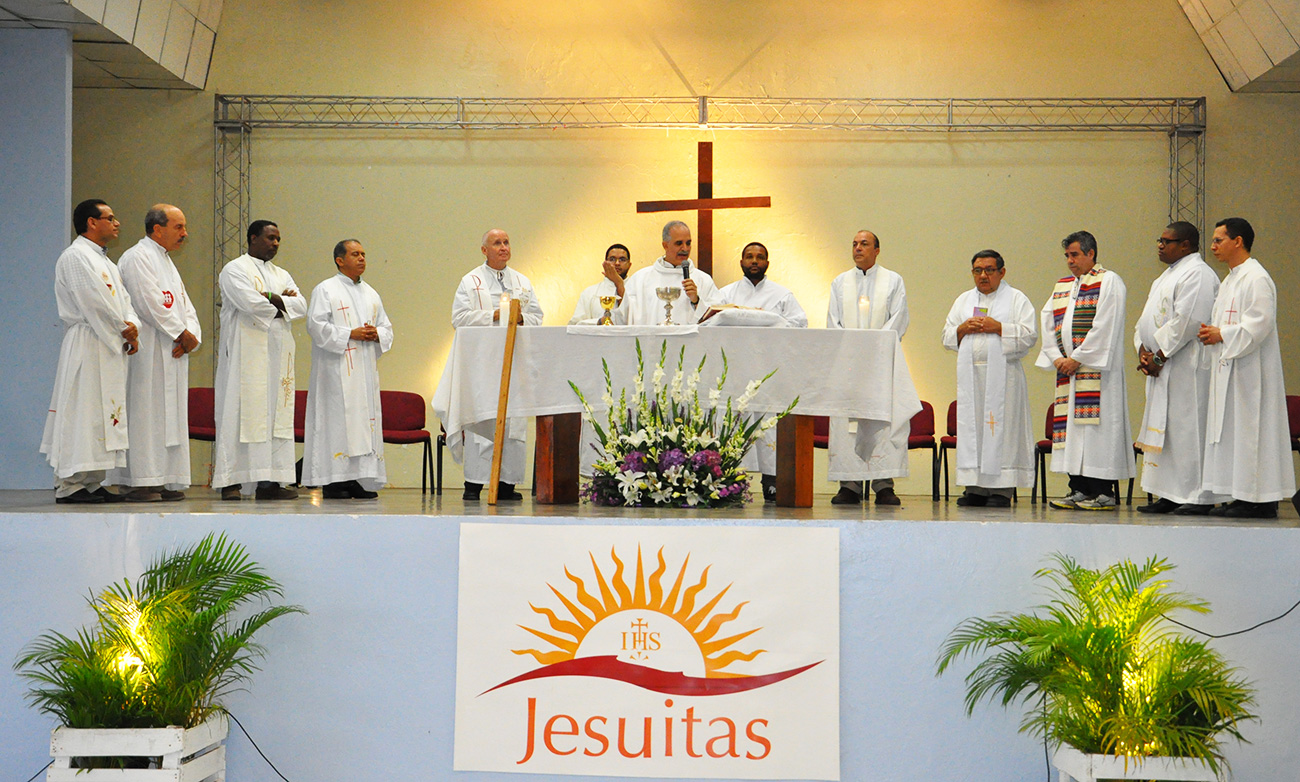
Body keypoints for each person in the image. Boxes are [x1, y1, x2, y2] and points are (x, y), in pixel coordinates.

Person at [41, 199, 139, 504]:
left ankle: (92, 480)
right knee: (82, 411)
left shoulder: (107, 262)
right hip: (88, 341)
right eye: (110, 218)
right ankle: (70, 484)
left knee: (101, 413)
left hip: (108, 343)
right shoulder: (75, 257)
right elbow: (94, 302)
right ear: (91, 222)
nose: (117, 223)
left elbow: (125, 301)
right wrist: (123, 329)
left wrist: (132, 325)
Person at [1196, 217, 1295, 518]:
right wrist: (1213, 333)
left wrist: (1222, 334)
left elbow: (1259, 324)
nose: (1213, 246)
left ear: (1238, 241)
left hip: (1251, 373)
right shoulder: (1229, 280)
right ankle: (1240, 495)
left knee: (1251, 433)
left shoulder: (1256, 278)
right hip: (1229, 369)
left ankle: (1260, 500)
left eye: (1219, 240)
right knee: (1232, 434)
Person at [107, 205, 202, 502]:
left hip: (172, 351)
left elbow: (185, 305)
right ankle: (139, 481)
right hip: (147, 351)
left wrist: (192, 335)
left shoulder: (166, 261)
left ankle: (163, 478)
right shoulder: (137, 257)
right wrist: (180, 333)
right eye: (179, 227)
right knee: (145, 414)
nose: (185, 233)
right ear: (158, 229)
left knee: (169, 417)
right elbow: (148, 303)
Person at [1036, 230, 1135, 510]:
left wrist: (1077, 358)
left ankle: (1103, 493)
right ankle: (1078, 488)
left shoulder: (1108, 281)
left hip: (1097, 373)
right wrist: (1057, 358)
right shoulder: (1063, 286)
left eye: (1075, 255)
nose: (1070, 260)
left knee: (1095, 433)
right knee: (1072, 433)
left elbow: (1106, 325)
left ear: (1091, 253)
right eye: (1067, 255)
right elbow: (1048, 323)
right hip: (1069, 373)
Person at [212, 220, 307, 501]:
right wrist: (282, 304)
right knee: (239, 411)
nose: (275, 243)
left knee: (276, 415)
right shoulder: (234, 269)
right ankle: (231, 482)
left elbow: (301, 306)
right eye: (270, 238)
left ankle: (270, 483)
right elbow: (250, 304)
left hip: (278, 356)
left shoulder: (282, 274)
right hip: (245, 354)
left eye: (278, 239)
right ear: (253, 238)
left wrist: (273, 298)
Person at [450, 229, 544, 501]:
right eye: (497, 243)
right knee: (483, 418)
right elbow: (459, 318)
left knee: (513, 421)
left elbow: (537, 316)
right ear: (484, 250)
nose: (503, 247)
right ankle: (474, 484)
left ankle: (506, 485)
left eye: (506, 242)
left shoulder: (522, 281)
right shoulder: (471, 281)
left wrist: (520, 317)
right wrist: (494, 314)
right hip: (483, 363)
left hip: (514, 360)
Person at [1132, 222, 1219, 514]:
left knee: (1187, 430)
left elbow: (1189, 321)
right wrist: (1142, 349)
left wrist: (1159, 357)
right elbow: (1145, 320)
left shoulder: (1198, 274)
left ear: (1185, 245)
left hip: (1186, 367)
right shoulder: (1166, 276)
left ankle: (1197, 496)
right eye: (1159, 240)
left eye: (1167, 241)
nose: (1160, 245)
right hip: (1162, 366)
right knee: (1166, 433)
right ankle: (1169, 493)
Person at [941, 250, 1038, 507]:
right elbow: (946, 335)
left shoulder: (1016, 299)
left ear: (1001, 272)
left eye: (989, 270)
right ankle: (975, 488)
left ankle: (1001, 490)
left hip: (1004, 379)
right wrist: (963, 328)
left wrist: (1000, 328)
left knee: (1001, 431)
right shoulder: (963, 300)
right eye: (977, 270)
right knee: (974, 431)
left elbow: (1029, 335)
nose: (983, 275)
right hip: (972, 378)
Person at [715, 241, 809, 500]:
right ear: (741, 262)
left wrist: (769, 320)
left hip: (770, 372)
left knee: (769, 426)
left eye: (759, 257)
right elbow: (710, 322)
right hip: (735, 372)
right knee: (733, 423)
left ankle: (772, 481)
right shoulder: (725, 295)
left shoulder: (782, 295)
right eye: (749, 256)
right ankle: (732, 482)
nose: (754, 261)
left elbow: (799, 325)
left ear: (767, 263)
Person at [302, 240, 394, 499]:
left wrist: (377, 334)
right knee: (337, 421)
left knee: (362, 423)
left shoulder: (371, 293)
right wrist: (350, 334)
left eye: (363, 254)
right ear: (340, 260)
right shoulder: (326, 289)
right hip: (335, 369)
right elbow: (316, 326)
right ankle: (333, 482)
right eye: (355, 254)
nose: (362, 258)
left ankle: (355, 478)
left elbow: (386, 327)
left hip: (363, 370)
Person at [825, 230, 908, 506]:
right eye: (854, 244)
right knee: (846, 423)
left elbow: (899, 318)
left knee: (880, 422)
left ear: (877, 250)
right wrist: (853, 349)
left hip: (880, 364)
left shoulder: (893, 280)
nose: (858, 248)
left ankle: (883, 485)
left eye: (864, 244)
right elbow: (833, 321)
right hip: (848, 365)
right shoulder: (840, 282)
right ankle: (849, 485)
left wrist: (875, 348)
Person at [617, 221, 721, 325]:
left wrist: (696, 301)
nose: (685, 248)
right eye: (679, 243)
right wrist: (618, 284)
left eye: (688, 243)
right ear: (665, 245)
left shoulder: (703, 279)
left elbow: (717, 317)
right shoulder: (641, 278)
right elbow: (625, 314)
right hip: (652, 336)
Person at [568, 244, 631, 324]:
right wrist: (599, 322)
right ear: (605, 263)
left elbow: (639, 321)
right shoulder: (589, 293)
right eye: (612, 259)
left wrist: (619, 284)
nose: (617, 263)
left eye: (622, 259)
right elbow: (574, 325)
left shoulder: (638, 291)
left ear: (629, 265)